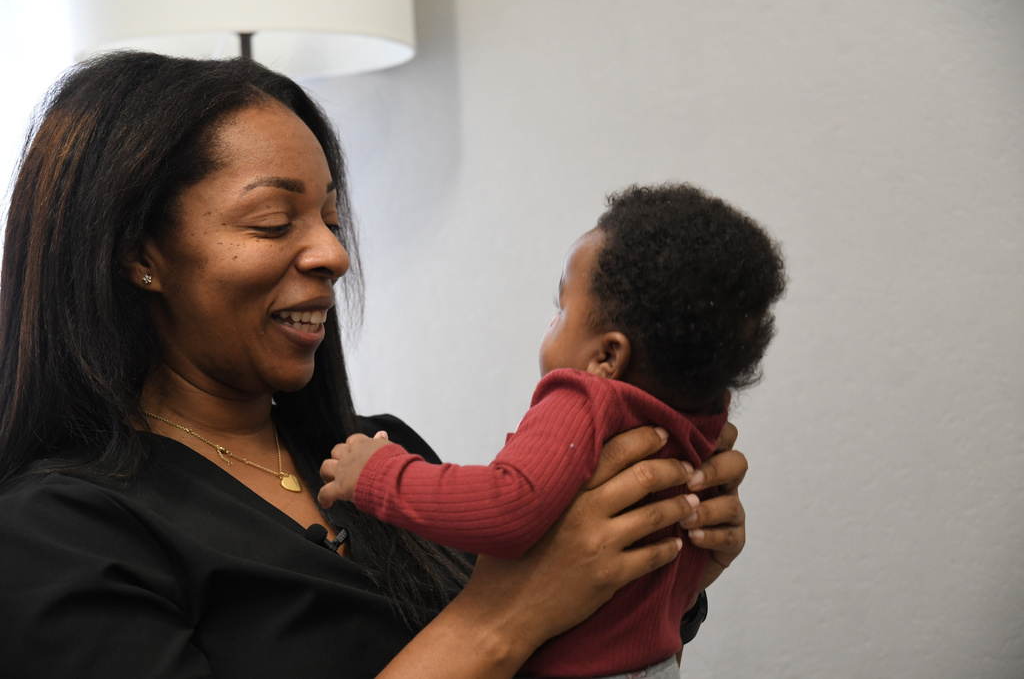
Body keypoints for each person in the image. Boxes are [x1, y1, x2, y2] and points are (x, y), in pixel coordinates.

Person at [0, 51, 750, 679]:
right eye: (272, 221)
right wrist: (505, 618)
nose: (334, 253)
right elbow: (511, 629)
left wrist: (653, 558)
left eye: (331, 216)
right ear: (138, 254)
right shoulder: (57, 531)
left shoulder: (379, 454)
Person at [318, 184, 785, 678]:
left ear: (607, 356)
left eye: (561, 309)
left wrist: (377, 473)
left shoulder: (583, 399)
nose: (550, 321)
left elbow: (506, 507)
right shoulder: (701, 421)